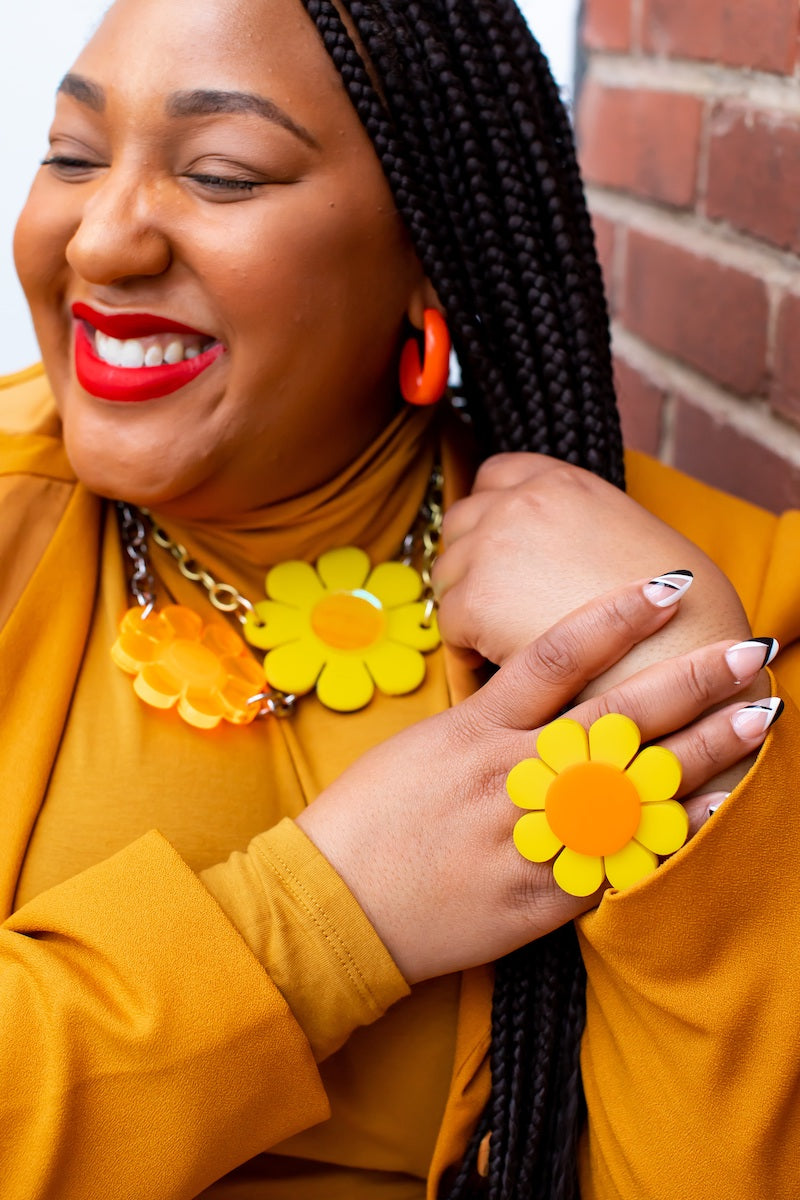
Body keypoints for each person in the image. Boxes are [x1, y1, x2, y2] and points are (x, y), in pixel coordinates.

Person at [1, 1, 799, 1199]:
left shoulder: (709, 615)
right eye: (70, 154)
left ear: (432, 250)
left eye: (221, 174)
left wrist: (675, 698)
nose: (101, 240)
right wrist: (325, 919)